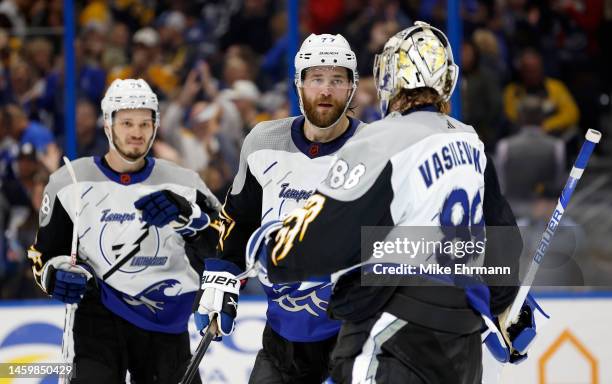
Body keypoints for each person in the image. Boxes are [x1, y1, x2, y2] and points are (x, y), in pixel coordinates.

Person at [248, 22, 545, 383]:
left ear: (389, 75)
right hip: (461, 340)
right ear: (447, 79)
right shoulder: (470, 141)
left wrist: (274, 252)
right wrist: (502, 308)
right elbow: (503, 244)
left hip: (395, 334)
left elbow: (324, 236)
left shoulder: (382, 140)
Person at [194, 34, 365, 383]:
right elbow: (238, 219)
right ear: (299, 84)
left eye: (337, 80)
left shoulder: (374, 149)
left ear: (352, 87)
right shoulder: (262, 142)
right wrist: (221, 275)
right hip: (284, 335)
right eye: (316, 79)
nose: (326, 91)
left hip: (353, 333)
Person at [27, 79, 220, 383]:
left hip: (165, 322)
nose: (136, 132)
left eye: (145, 123)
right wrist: (54, 273)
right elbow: (43, 254)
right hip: (98, 319)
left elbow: (224, 249)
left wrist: (191, 217)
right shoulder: (70, 182)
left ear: (155, 126)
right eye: (127, 122)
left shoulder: (184, 183)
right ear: (108, 125)